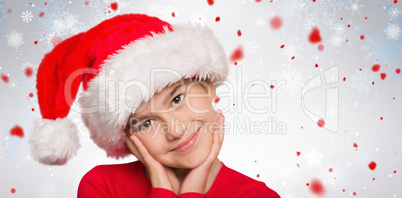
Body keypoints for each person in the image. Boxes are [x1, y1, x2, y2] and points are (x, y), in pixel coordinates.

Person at [28, 13, 280, 197]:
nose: (175, 130)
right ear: (125, 137)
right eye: (146, 123)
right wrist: (164, 190)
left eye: (177, 99)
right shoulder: (102, 186)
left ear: (207, 86)